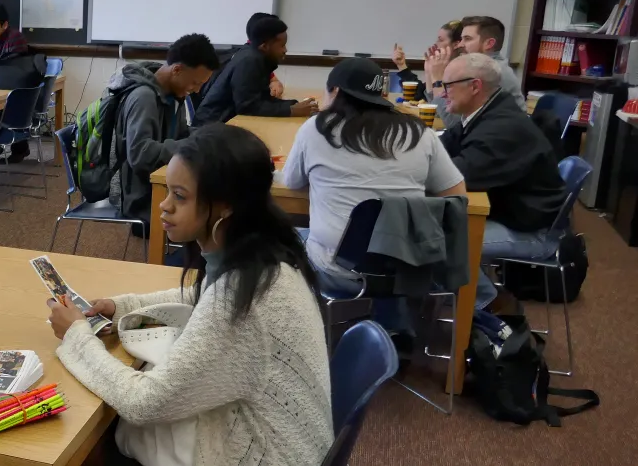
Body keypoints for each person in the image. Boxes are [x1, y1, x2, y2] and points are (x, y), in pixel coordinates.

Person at [46, 124, 331, 466]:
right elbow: (201, 298)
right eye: (167, 190)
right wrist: (122, 308)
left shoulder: (241, 299)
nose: (164, 206)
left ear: (225, 207)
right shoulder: (267, 255)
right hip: (291, 444)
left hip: (265, 455)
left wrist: (77, 336)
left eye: (180, 196)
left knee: (99, 431)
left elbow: (146, 402)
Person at [284, 57, 467, 332]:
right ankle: (392, 325)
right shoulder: (419, 132)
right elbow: (456, 198)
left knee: (286, 233)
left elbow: (291, 181)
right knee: (381, 244)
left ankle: (296, 329)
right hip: (410, 266)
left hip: (338, 271)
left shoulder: (316, 129)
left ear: (334, 92)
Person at [437, 53, 566, 308]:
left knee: (435, 243)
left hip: (532, 232)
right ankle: (470, 298)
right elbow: (443, 147)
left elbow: (457, 175)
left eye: (447, 86)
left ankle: (483, 303)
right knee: (431, 231)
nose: (442, 94)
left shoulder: (502, 127)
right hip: (512, 214)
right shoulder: (485, 112)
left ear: (475, 86)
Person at [108, 33, 220, 234]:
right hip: (142, 197)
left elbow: (183, 133)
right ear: (177, 70)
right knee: (214, 209)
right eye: (195, 83)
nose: (195, 90)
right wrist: (191, 146)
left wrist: (210, 137)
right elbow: (140, 154)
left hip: (166, 184)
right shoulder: (143, 97)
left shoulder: (175, 95)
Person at [194, 13, 319, 124]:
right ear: (264, 46)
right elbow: (247, 107)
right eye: (282, 45)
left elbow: (261, 100)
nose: (285, 50)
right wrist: (290, 110)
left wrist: (294, 104)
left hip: (224, 124)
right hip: (210, 128)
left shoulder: (257, 57)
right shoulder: (250, 61)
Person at [425, 16, 526, 128]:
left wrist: (437, 80)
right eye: (462, 39)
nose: (460, 44)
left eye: (467, 39)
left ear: (489, 43)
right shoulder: (478, 67)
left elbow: (453, 123)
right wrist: (430, 71)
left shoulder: (492, 72)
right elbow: (438, 110)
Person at [392, 19, 463, 87]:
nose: (436, 43)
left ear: (456, 44)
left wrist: (436, 78)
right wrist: (401, 65)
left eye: (440, 40)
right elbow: (421, 95)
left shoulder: (460, 72)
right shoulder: (440, 66)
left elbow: (438, 98)